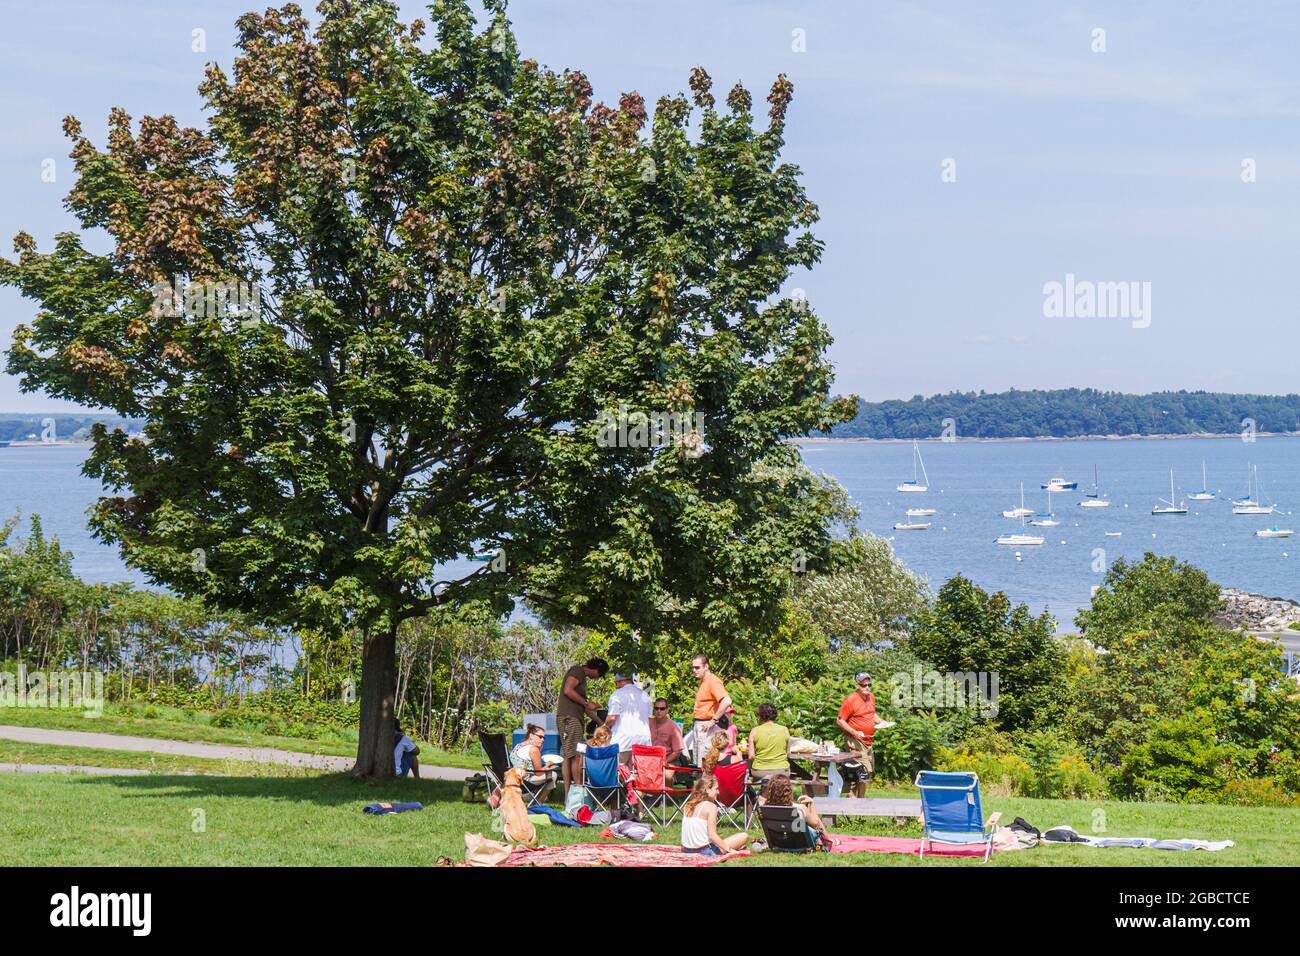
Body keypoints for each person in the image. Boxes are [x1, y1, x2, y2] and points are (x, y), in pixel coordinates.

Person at [557, 657, 608, 799]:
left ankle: (569, 796)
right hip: (570, 719)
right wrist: (587, 703)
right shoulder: (578, 671)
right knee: (576, 755)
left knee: (568, 755)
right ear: (596, 669)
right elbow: (568, 690)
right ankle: (577, 792)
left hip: (573, 717)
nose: (598, 678)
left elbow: (584, 707)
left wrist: (600, 723)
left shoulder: (581, 677)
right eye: (600, 675)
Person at [836, 671, 885, 797]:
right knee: (865, 770)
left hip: (868, 742)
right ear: (857, 685)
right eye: (864, 685)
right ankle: (860, 799)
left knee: (867, 771)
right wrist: (854, 732)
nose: (867, 687)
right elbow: (840, 720)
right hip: (855, 740)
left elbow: (871, 713)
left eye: (869, 685)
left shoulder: (871, 697)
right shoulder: (851, 700)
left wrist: (881, 722)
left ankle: (852, 794)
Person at [680, 774, 749, 856]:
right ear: (708, 789)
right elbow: (712, 835)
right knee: (744, 836)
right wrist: (730, 850)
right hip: (704, 851)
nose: (718, 792)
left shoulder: (688, 805)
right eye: (716, 789)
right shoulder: (711, 807)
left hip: (686, 850)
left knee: (723, 841)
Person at [757, 773, 829, 850]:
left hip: (778, 842)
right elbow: (816, 824)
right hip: (800, 844)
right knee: (814, 819)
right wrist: (812, 803)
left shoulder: (765, 808)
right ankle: (828, 840)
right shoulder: (800, 808)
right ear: (788, 791)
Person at [690, 654, 731, 765]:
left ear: (706, 666)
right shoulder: (704, 681)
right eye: (693, 667)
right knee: (699, 765)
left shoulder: (713, 681)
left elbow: (727, 701)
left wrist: (713, 720)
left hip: (707, 728)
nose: (694, 670)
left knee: (706, 766)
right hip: (701, 726)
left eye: (697, 667)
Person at [605, 672, 652, 764]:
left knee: (619, 773)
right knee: (638, 774)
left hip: (623, 741)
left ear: (622, 681)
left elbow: (612, 718)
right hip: (643, 741)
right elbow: (649, 719)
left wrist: (604, 726)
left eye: (616, 683)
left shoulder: (617, 695)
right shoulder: (645, 695)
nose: (616, 686)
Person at [510, 722, 557, 803]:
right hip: (525, 781)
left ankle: (532, 797)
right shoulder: (533, 749)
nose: (542, 740)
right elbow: (538, 773)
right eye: (540, 737)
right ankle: (537, 803)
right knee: (553, 775)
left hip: (514, 778)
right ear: (531, 736)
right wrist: (548, 764)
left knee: (549, 773)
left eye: (543, 738)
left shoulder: (518, 746)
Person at [746, 702, 792, 780]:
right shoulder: (784, 729)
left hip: (760, 772)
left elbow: (751, 756)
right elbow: (788, 753)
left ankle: (763, 791)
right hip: (782, 771)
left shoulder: (755, 731)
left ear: (760, 716)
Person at [649, 698, 686, 784]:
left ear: (667, 710)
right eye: (656, 708)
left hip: (669, 758)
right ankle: (642, 795)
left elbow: (677, 751)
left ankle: (666, 795)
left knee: (667, 775)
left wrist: (665, 760)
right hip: (650, 758)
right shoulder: (649, 723)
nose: (659, 711)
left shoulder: (673, 727)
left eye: (662, 709)